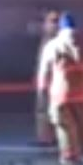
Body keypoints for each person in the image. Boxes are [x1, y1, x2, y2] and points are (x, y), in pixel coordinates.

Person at [36, 12, 83, 165]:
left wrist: (42, 91)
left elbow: (45, 71)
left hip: (60, 95)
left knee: (65, 126)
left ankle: (71, 157)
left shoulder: (52, 45)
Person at [34, 10, 62, 147]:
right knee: (43, 110)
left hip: (55, 82)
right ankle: (45, 137)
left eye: (54, 21)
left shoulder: (59, 42)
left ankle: (54, 138)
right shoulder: (45, 40)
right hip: (45, 81)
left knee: (54, 111)